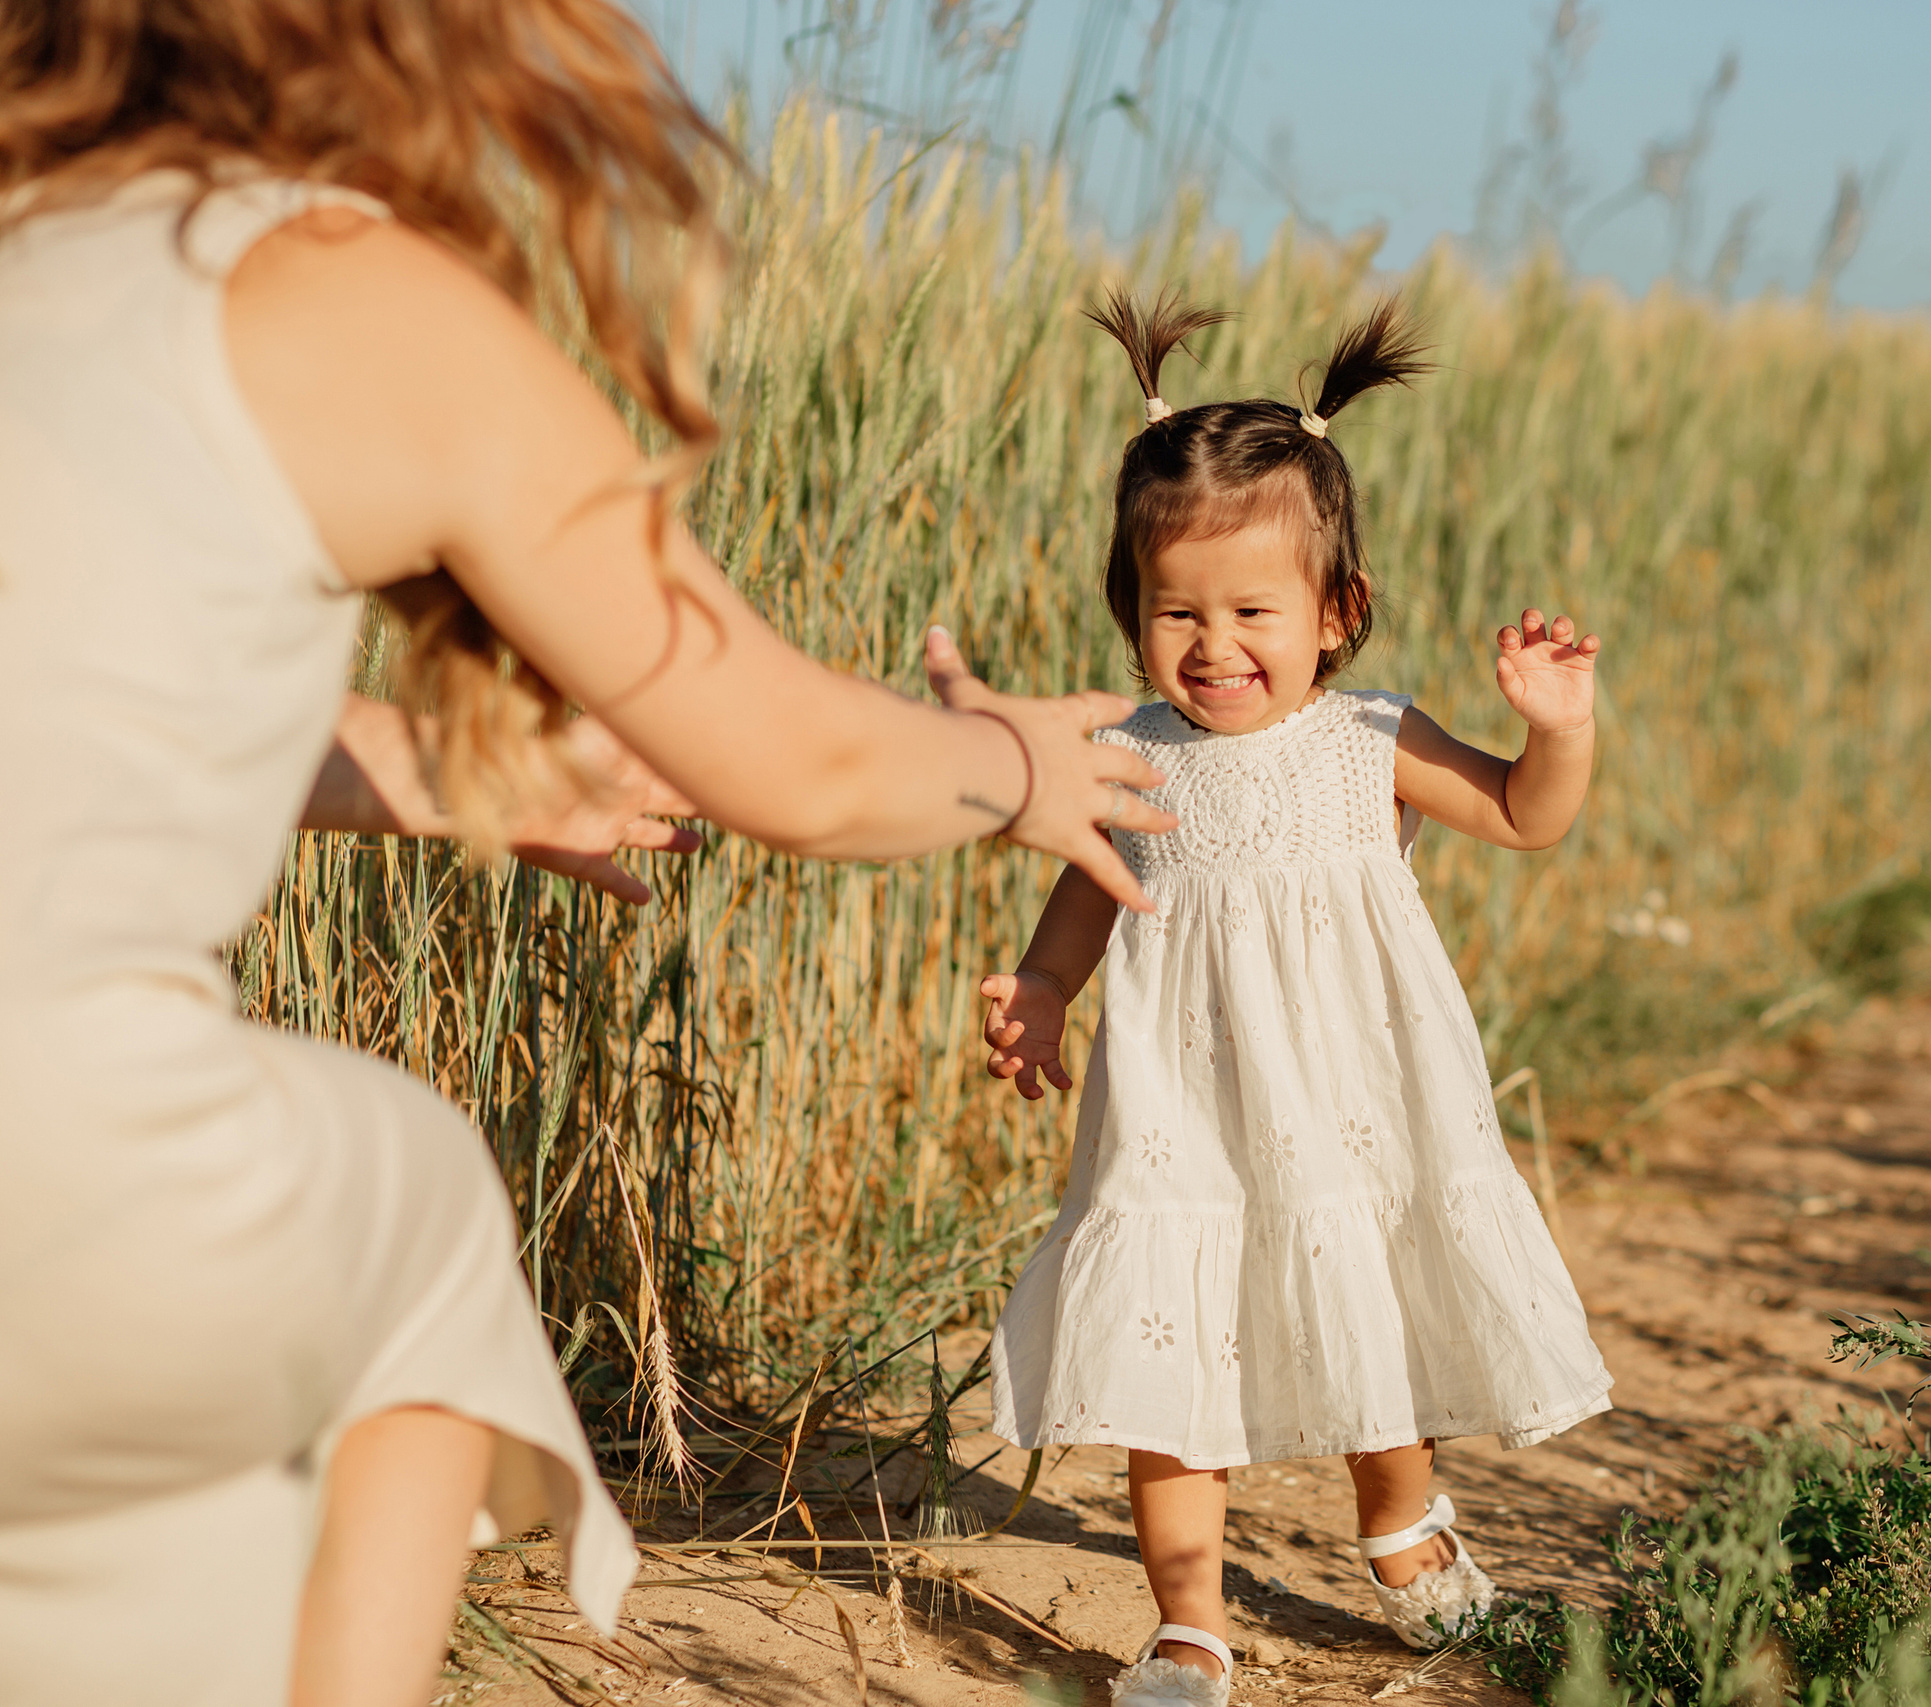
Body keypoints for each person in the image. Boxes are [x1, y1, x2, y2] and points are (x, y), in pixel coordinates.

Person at [0, 4, 1175, 1704]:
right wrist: (1018, 759)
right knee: (408, 1196)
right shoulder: (347, 295)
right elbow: (810, 763)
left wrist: (444, 768)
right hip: (58, 1178)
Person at [978, 294, 1615, 1705]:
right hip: (1184, 1116)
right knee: (1169, 1355)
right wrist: (1040, 984)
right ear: (1131, 612)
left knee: (1367, 1310)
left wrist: (1554, 732)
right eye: (1174, 612)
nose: (1212, 645)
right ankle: (1190, 1625)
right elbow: (1090, 893)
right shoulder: (1132, 753)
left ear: (1339, 616)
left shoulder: (1368, 741)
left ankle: (1399, 1523)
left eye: (1253, 611)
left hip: (1351, 1108)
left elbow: (1521, 816)